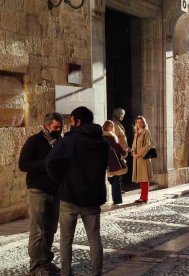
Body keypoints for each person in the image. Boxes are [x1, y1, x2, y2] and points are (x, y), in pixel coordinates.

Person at [46, 106, 109, 276]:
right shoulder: (103, 142)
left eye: (71, 120)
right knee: (94, 238)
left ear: (78, 121)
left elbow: (50, 162)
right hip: (93, 196)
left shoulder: (69, 140)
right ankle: (97, 273)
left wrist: (60, 181)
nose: (70, 124)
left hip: (70, 196)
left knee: (66, 239)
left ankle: (66, 273)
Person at [19, 112, 64, 275]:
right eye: (56, 127)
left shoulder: (60, 141)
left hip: (55, 190)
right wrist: (46, 164)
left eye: (61, 127)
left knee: (50, 229)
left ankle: (45, 262)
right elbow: (23, 165)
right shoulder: (34, 141)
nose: (59, 130)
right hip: (38, 189)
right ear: (46, 126)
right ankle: (35, 267)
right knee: (38, 230)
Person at [102, 120, 128, 205]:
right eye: (110, 126)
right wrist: (124, 152)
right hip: (114, 160)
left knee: (112, 179)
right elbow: (116, 146)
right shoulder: (109, 136)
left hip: (108, 159)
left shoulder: (104, 136)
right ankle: (117, 199)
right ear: (106, 127)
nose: (112, 128)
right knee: (116, 179)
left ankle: (111, 198)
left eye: (112, 126)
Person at [131, 116, 153, 203]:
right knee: (140, 177)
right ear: (136, 123)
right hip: (136, 158)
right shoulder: (136, 132)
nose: (139, 124)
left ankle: (144, 197)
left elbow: (148, 145)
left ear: (144, 123)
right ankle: (142, 196)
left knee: (144, 178)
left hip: (143, 158)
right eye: (138, 122)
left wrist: (139, 154)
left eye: (141, 122)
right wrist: (133, 153)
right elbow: (133, 145)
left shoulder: (146, 132)